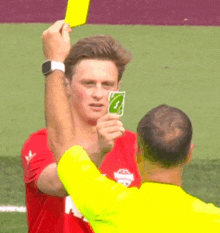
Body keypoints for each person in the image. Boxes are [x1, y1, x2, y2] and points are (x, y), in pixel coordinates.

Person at [43, 21, 220, 232]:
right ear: (189, 154)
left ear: (137, 151)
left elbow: (62, 146)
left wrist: (54, 63)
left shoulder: (108, 204)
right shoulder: (212, 220)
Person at [21, 21, 141, 233]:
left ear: (118, 89)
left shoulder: (137, 147)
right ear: (66, 85)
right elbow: (58, 184)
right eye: (88, 83)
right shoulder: (40, 143)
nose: (98, 94)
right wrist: (99, 149)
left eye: (107, 85)